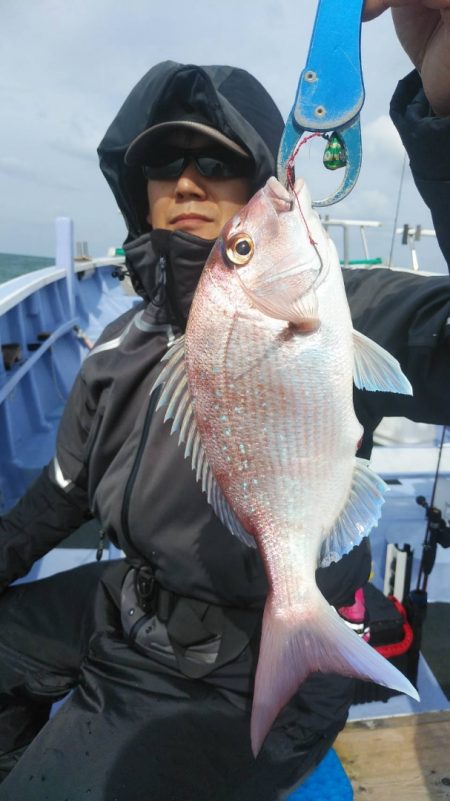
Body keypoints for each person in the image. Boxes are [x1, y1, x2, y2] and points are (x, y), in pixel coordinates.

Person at [0, 1, 449, 798]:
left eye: (214, 164)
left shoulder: (344, 312)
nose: (184, 181)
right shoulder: (117, 348)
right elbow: (56, 498)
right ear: (136, 196)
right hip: (131, 613)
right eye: (164, 163)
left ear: (257, 176)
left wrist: (447, 114)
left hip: (237, 666)